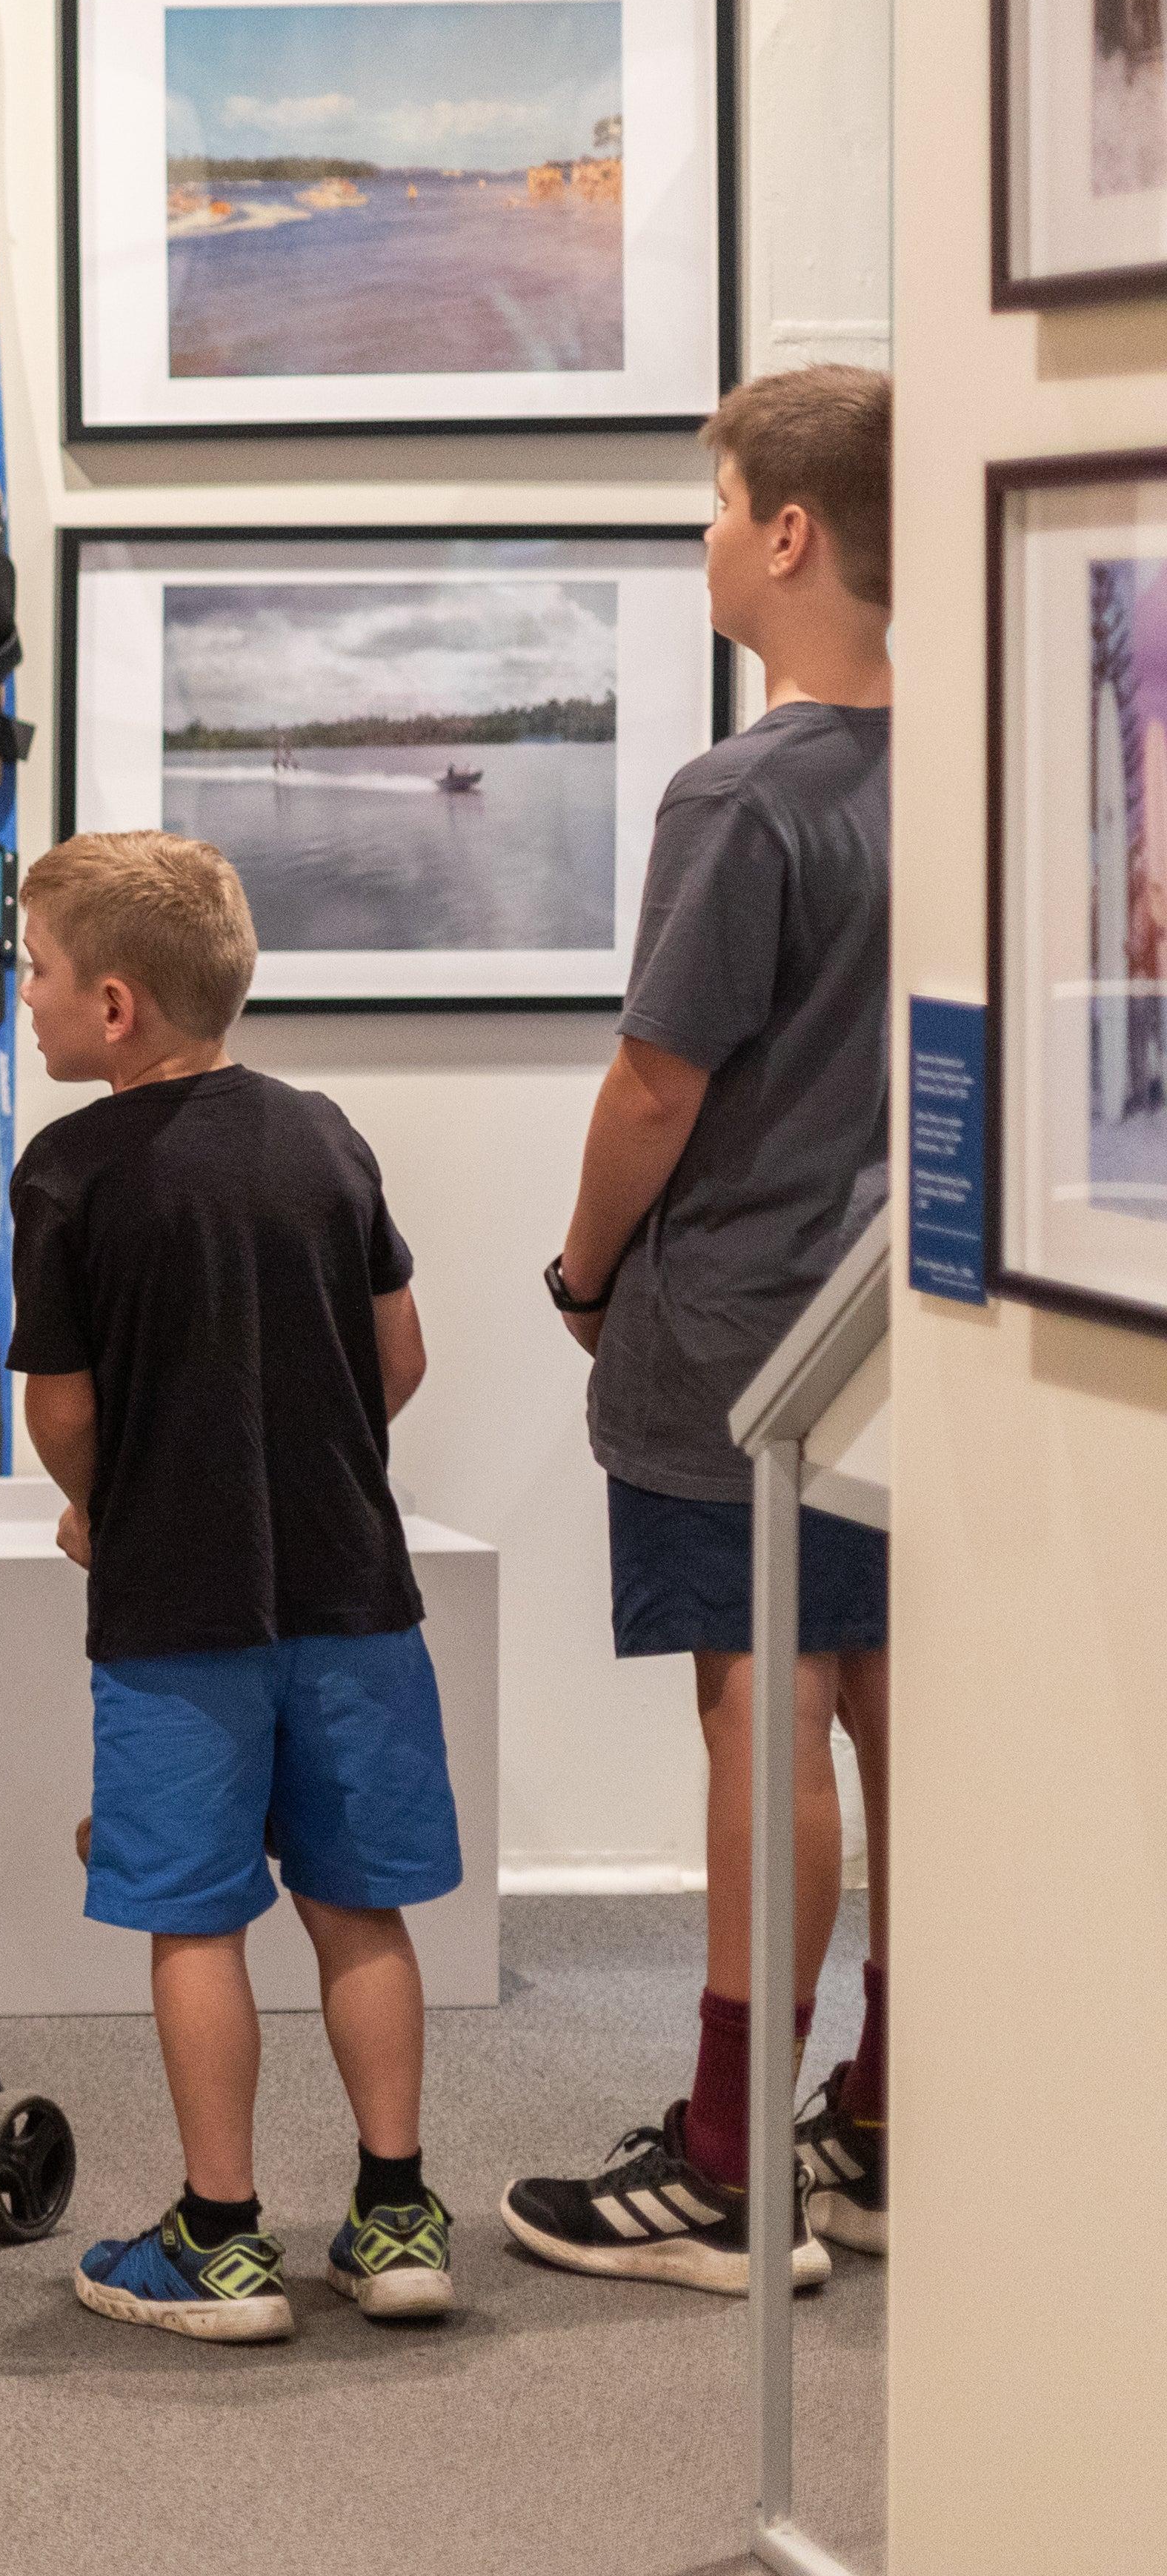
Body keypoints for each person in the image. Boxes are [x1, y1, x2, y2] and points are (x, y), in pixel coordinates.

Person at [507, 364, 894, 2294]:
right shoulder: (979, 760)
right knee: (899, 1719)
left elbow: (657, 1086)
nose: (711, 536)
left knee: (766, 1726)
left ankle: (735, 2163)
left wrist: (582, 1277)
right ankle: (894, 2125)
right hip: (911, 1335)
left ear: (794, 532)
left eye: (722, 502)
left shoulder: (743, 796)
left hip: (739, 1333)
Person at [7, 831, 458, 2346]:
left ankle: (217, 2232)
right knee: (359, 1906)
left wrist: (98, 1503)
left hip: (175, 1616)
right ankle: (397, 2212)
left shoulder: (68, 1172)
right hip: (355, 1596)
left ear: (117, 1005)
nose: (29, 998)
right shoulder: (327, 1134)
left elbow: (62, 1407)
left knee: (196, 1918)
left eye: (41, 971)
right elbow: (397, 1355)